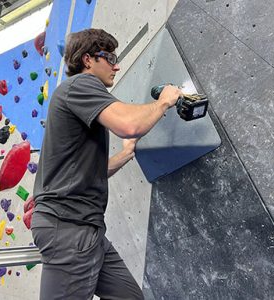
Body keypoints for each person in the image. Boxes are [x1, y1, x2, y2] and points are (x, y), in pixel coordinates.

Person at [31, 28, 183, 300]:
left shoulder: (77, 98)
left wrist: (126, 154)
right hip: (69, 227)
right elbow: (128, 124)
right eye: (109, 56)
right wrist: (163, 103)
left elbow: (91, 173)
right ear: (88, 60)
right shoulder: (82, 85)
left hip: (85, 228)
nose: (116, 64)